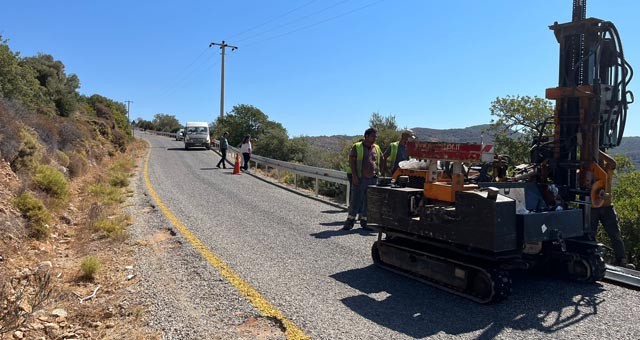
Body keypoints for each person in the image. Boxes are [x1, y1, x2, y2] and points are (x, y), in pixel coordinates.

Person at [343, 128, 381, 230]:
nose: (375, 138)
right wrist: (355, 176)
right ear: (366, 136)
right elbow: (352, 162)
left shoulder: (376, 148)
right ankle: (350, 221)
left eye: (375, 136)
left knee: (368, 201)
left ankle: (365, 221)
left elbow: (380, 160)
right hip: (360, 178)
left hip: (372, 179)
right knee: (356, 200)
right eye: (373, 136)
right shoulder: (357, 147)